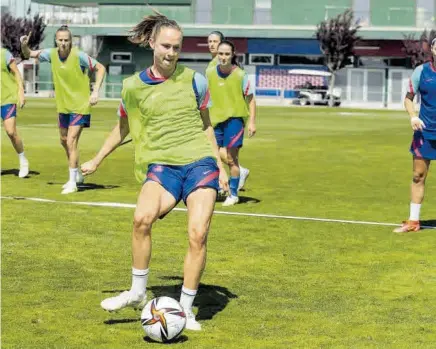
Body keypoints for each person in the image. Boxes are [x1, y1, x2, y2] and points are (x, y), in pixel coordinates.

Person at [80, 12, 229, 331]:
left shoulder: (195, 80)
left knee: (198, 234)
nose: (171, 53)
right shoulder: (133, 87)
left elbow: (206, 125)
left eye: (177, 47)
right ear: (151, 43)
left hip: (200, 164)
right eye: (165, 46)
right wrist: (96, 160)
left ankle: (186, 310)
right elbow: (121, 130)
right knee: (141, 219)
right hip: (164, 168)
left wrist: (220, 166)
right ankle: (137, 291)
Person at [20, 26, 106, 194]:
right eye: (60, 40)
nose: (63, 43)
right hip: (63, 106)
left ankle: (72, 182)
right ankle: (77, 174)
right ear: (56, 40)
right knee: (64, 140)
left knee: (71, 141)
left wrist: (95, 91)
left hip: (80, 105)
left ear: (71, 41)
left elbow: (101, 68)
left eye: (66, 40)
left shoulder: (79, 56)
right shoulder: (51, 54)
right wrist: (24, 45)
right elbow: (29, 53)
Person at [393, 37, 436, 233]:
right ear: (432, 50)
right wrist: (412, 116)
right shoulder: (421, 71)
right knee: (418, 176)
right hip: (424, 133)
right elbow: (409, 98)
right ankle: (413, 222)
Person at [206, 40, 256, 206]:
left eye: (227, 54)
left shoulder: (241, 75)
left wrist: (252, 122)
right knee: (212, 156)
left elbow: (251, 100)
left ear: (233, 55)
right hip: (215, 120)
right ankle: (217, 188)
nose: (223, 57)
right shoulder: (210, 73)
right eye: (221, 54)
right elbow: (205, 97)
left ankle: (233, 195)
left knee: (231, 158)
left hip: (235, 120)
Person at [1, 47, 29, 178]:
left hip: (7, 97)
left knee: (11, 131)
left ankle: (23, 160)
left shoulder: (4, 54)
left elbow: (17, 73)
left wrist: (21, 92)